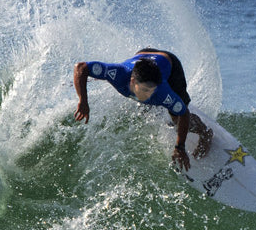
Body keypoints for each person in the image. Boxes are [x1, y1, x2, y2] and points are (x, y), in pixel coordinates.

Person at [73, 48, 212, 171]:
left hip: (170, 63)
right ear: (132, 81)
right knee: (146, 109)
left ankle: (205, 133)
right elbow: (81, 67)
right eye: (145, 90)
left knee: (176, 118)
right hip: (143, 56)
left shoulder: (163, 92)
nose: (148, 95)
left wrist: (180, 147)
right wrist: (83, 100)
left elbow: (183, 113)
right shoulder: (118, 74)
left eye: (151, 90)